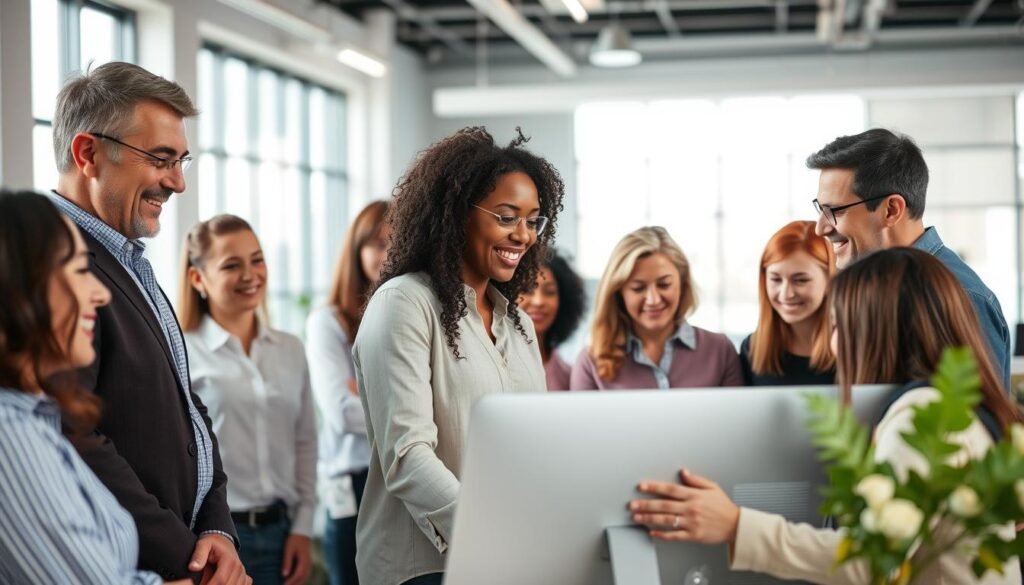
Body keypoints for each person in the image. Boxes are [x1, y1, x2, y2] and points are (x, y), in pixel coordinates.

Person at [628, 248, 1024, 584]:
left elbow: (873, 560)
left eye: (837, 325)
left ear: (874, 330)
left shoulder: (921, 418)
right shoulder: (948, 407)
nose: (834, 345)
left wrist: (735, 526)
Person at [49, 61, 244, 582]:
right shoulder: (49, 266)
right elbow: (73, 434)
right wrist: (187, 554)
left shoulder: (128, 259)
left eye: (181, 160)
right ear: (88, 153)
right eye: (160, 159)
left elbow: (185, 404)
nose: (177, 182)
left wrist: (217, 528)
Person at [352, 127, 564, 585]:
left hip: (506, 560)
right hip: (425, 567)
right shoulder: (404, 303)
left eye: (533, 220)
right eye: (507, 217)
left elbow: (533, 445)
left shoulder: (519, 324)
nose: (523, 235)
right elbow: (407, 455)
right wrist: (485, 534)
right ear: (455, 215)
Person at [0, 190, 197, 585]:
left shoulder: (36, 421)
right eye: (76, 271)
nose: (100, 293)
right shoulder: (11, 435)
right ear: (20, 291)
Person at [808, 128, 1010, 386]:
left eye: (834, 211)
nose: (820, 227)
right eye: (819, 209)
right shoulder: (876, 288)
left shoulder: (960, 296)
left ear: (891, 210)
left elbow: (973, 421)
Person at [179, 215, 317, 585]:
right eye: (231, 265)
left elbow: (305, 442)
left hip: (281, 534)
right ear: (198, 279)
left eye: (257, 259)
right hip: (214, 540)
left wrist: (303, 528)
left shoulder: (290, 349)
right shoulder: (182, 354)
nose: (250, 274)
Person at [305, 200, 390, 585]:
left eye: (397, 242)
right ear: (356, 249)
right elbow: (341, 413)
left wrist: (368, 393)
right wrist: (404, 407)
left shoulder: (413, 316)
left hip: (397, 479)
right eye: (376, 243)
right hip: (350, 484)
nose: (387, 254)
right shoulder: (327, 322)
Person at [570, 226, 743, 390]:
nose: (653, 300)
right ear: (618, 292)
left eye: (664, 284)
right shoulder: (590, 363)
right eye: (638, 288)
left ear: (682, 284)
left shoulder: (720, 351)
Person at [739, 220, 835, 386]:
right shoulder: (752, 348)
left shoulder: (855, 346)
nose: (786, 294)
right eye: (775, 279)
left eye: (801, 280)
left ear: (829, 280)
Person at [517, 249, 586, 390]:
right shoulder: (490, 366)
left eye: (549, 292)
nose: (538, 301)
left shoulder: (570, 376)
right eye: (526, 290)